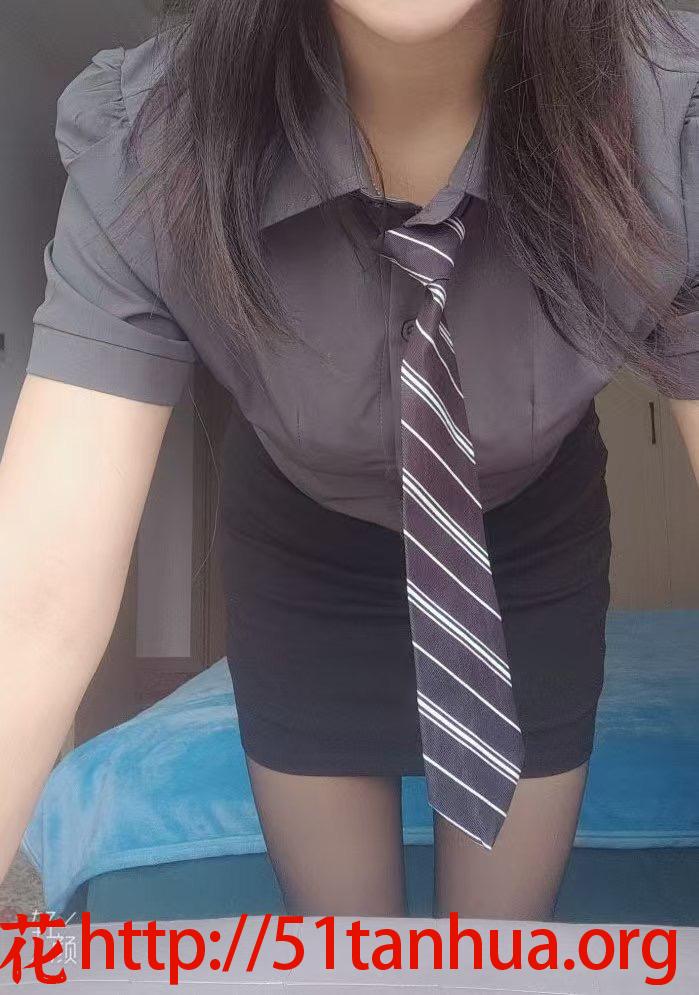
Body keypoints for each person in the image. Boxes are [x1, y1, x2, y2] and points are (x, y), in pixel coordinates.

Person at [1, 0, 698, 920]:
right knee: (343, 940)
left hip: (526, 541)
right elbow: (33, 606)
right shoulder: (150, 139)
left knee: (496, 951)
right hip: (302, 546)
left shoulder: (672, 117)